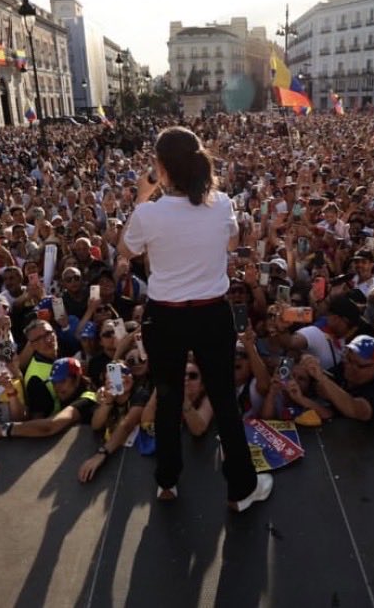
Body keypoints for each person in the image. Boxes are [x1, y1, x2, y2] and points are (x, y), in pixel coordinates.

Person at [118, 126, 271, 511]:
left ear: (161, 167)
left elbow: (126, 250)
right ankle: (241, 490)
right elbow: (232, 243)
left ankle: (167, 482)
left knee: (168, 397)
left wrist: (143, 196)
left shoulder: (148, 212)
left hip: (164, 317)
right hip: (210, 313)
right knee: (224, 400)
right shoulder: (220, 204)